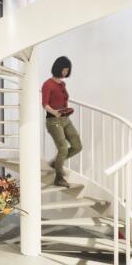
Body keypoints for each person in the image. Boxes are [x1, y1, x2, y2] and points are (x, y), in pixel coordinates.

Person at [42, 56, 82, 188]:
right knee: (63, 148)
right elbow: (45, 104)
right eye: (64, 70)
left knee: (77, 146)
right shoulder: (48, 84)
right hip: (53, 120)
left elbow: (62, 101)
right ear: (58, 68)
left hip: (65, 119)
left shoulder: (62, 84)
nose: (65, 72)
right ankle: (58, 178)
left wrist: (66, 110)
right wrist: (55, 112)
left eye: (67, 70)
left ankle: (56, 163)